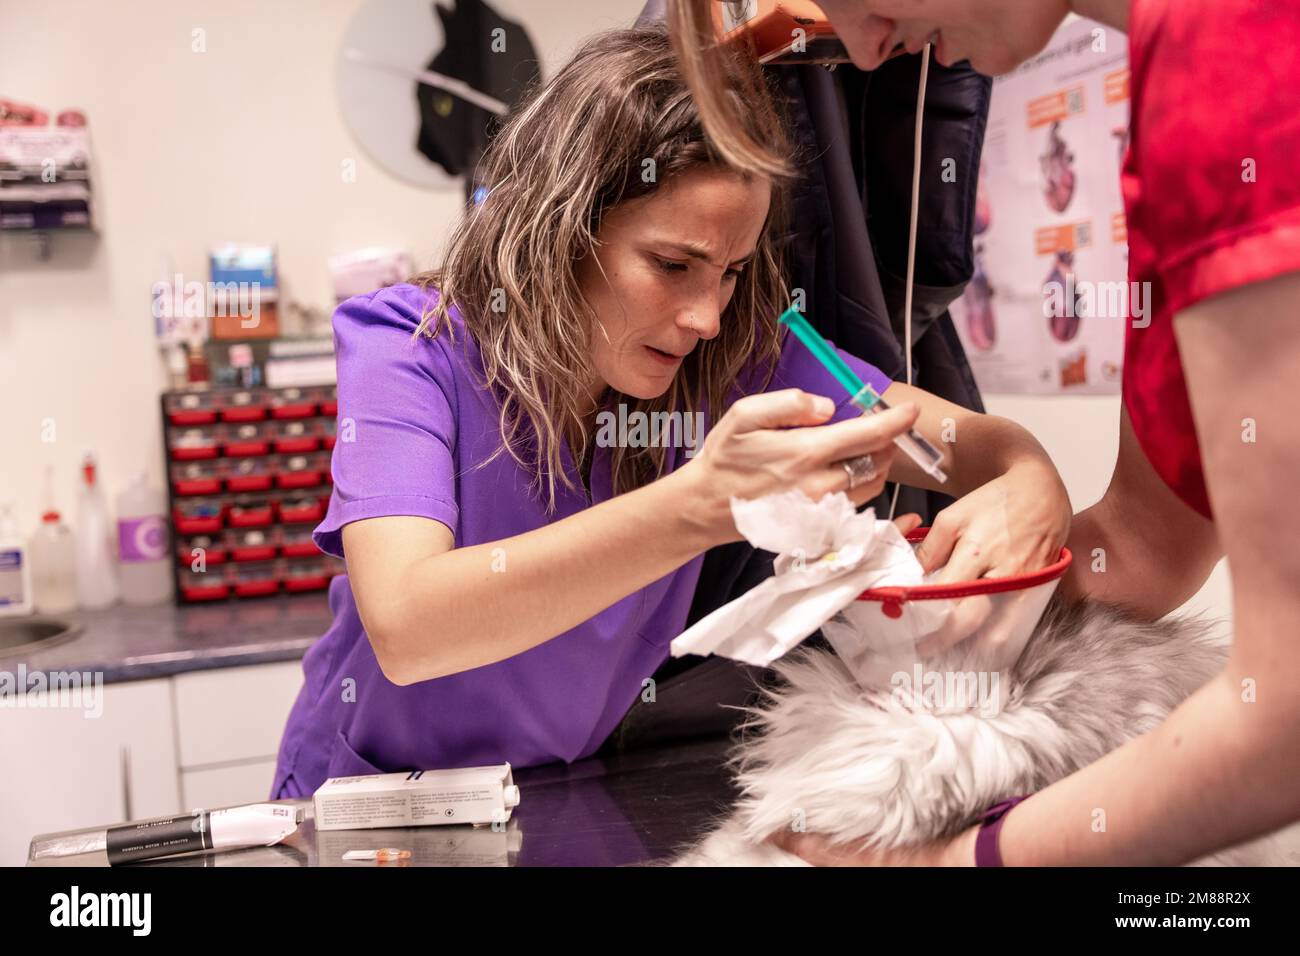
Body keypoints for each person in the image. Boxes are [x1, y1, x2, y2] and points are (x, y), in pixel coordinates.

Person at [271, 24, 1071, 799]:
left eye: (730, 271)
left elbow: (964, 443)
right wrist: (700, 507)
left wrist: (1028, 473)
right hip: (371, 802)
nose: (707, 317)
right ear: (561, 227)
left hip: (553, 795)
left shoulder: (730, 363)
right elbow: (411, 628)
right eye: (673, 264)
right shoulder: (408, 346)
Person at [669, 0, 1300, 866]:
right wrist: (922, 601)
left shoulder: (1234, 65)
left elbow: (1283, 719)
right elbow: (1146, 548)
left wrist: (948, 860)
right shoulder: (1174, 96)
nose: (859, 46)